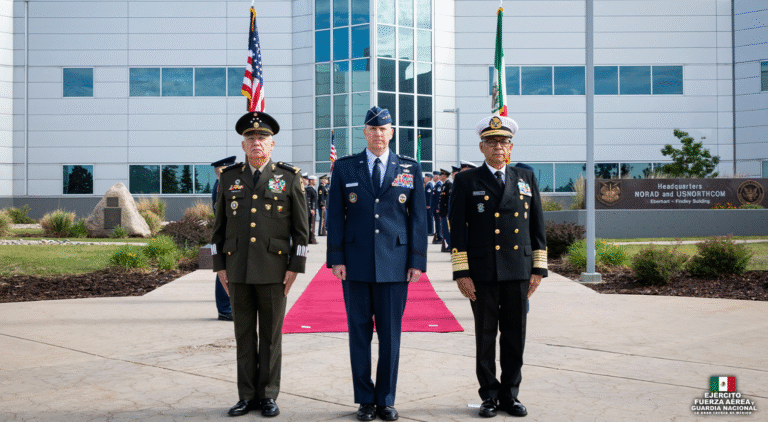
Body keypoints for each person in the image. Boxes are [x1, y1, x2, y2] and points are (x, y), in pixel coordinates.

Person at [326, 106, 428, 422]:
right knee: (359, 333)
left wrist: (417, 261)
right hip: (354, 265)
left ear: (392, 132)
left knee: (390, 335)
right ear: (364, 132)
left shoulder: (409, 168)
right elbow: (335, 217)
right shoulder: (345, 168)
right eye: (372, 129)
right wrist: (336, 258)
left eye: (383, 129)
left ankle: (385, 399)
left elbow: (419, 218)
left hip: (396, 265)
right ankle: (365, 401)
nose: (378, 134)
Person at [211, 111, 309, 418]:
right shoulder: (229, 178)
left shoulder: (289, 177)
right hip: (237, 268)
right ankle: (246, 396)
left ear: (272, 144)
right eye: (251, 138)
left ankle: (268, 395)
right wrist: (218, 266)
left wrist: (296, 268)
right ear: (243, 145)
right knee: (243, 336)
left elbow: (302, 231)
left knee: (269, 336)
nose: (257, 143)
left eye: (262, 138)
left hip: (274, 270)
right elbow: (217, 229)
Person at [449, 115, 547, 418]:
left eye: (503, 142)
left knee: (515, 335)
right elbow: (457, 230)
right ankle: (489, 396)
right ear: (481, 147)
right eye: (491, 143)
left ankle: (510, 395)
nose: (498, 148)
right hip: (483, 271)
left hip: (518, 269)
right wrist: (462, 272)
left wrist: (538, 269)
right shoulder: (466, 180)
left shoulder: (525, 177)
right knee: (486, 336)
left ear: (511, 147)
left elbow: (537, 225)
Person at [210, 155, 237, 321]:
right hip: (227, 234)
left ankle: (228, 307)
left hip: (231, 233)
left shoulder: (225, 184)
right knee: (224, 271)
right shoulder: (221, 185)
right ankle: (225, 309)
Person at [436, 168, 453, 252]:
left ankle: (450, 245)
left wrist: (447, 212)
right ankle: (449, 245)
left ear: (444, 176)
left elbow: (449, 200)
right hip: (443, 212)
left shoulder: (449, 185)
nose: (439, 176)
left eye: (440, 175)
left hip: (446, 212)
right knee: (445, 231)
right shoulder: (444, 185)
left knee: (447, 230)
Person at [431, 170, 443, 244]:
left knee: (438, 223)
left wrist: (438, 208)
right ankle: (439, 236)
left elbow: (439, 197)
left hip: (437, 208)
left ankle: (440, 237)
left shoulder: (439, 185)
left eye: (434, 176)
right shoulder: (436, 185)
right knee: (437, 223)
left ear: (437, 176)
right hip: (435, 207)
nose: (433, 177)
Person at [307, 175, 319, 244]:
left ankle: (312, 238)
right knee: (310, 224)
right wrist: (311, 208)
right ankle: (310, 239)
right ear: (311, 181)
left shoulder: (312, 189)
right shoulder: (309, 189)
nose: (316, 181)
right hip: (311, 210)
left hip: (313, 209)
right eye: (315, 180)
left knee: (312, 224)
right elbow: (308, 200)